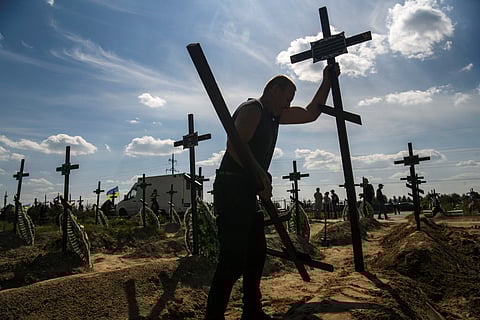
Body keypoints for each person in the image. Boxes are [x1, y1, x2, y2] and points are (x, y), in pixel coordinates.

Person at [206, 64, 339, 320]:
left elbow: (311, 114)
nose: (288, 105)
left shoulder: (274, 115)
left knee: (256, 254)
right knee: (233, 258)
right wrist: (261, 174)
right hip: (231, 187)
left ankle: (252, 312)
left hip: (247, 190)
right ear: (274, 91)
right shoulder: (253, 109)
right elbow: (235, 146)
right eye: (287, 99)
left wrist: (327, 82)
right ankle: (213, 316)